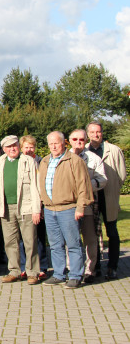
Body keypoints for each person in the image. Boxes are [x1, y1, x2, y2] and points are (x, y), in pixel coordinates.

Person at [39, 131, 93, 289]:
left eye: (56, 143)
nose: (53, 146)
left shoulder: (74, 161)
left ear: (64, 143)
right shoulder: (45, 161)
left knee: (73, 244)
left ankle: (76, 275)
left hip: (68, 208)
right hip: (49, 209)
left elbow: (83, 186)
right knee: (55, 244)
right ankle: (58, 274)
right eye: (50, 143)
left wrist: (80, 207)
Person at [0, 136, 42, 285]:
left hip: (26, 207)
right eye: (9, 147)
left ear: (19, 146)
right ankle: (15, 271)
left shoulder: (29, 161)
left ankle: (32, 272)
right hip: (5, 208)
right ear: (4, 149)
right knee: (10, 242)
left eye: (15, 146)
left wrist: (37, 210)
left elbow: (36, 187)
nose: (12, 149)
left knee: (30, 241)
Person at [86, 121, 126, 280]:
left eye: (98, 132)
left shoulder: (114, 150)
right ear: (88, 133)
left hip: (108, 196)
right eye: (93, 132)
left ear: (102, 133)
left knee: (112, 232)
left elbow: (121, 175)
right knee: (93, 233)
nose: (96, 135)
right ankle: (95, 267)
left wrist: (113, 189)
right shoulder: (84, 151)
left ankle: (113, 266)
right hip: (92, 197)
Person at [69, 129, 107, 283]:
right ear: (69, 140)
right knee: (71, 240)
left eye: (81, 139)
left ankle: (89, 271)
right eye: (75, 139)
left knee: (90, 239)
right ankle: (72, 269)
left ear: (85, 140)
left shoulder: (93, 158)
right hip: (69, 206)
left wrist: (86, 185)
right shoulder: (63, 158)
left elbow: (103, 179)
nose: (78, 142)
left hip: (88, 205)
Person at [19, 134, 48, 278]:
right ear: (21, 148)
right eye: (26, 147)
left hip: (39, 205)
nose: (29, 150)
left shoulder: (41, 162)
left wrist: (41, 206)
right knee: (23, 239)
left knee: (39, 237)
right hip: (24, 206)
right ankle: (25, 266)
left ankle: (41, 266)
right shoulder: (19, 162)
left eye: (31, 147)